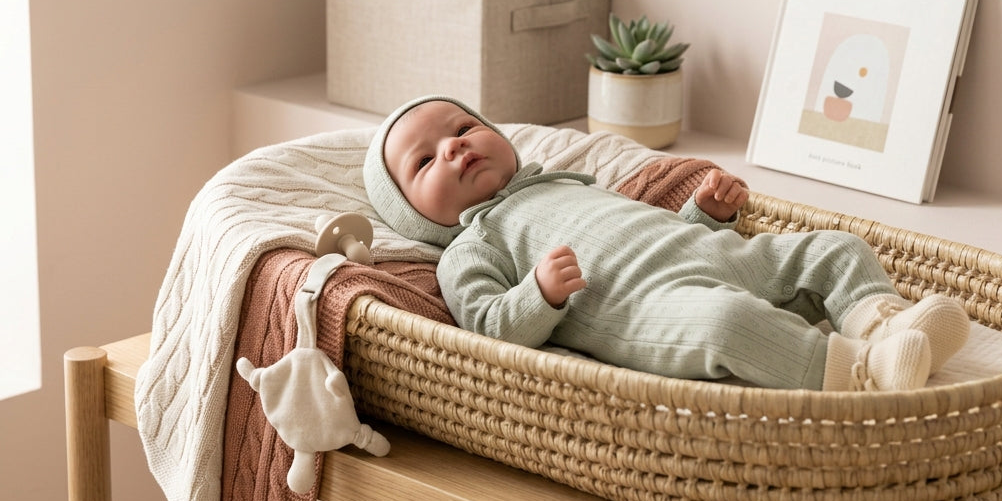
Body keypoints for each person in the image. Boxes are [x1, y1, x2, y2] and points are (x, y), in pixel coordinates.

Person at [363, 95, 969, 392]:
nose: (454, 146)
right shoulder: (473, 246)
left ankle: (881, 324)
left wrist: (705, 215)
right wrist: (539, 295)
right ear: (413, 213)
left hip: (711, 255)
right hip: (653, 309)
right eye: (424, 161)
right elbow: (490, 328)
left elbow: (651, 230)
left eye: (464, 127)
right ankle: (861, 374)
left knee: (832, 246)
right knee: (729, 323)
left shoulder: (565, 180)